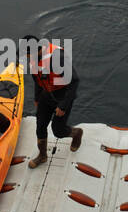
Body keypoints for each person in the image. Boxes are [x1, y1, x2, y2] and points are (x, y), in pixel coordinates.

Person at [23, 36, 83, 168]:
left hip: (63, 95)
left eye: (26, 54)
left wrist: (63, 105)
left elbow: (74, 81)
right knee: (40, 126)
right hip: (46, 95)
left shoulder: (57, 58)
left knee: (58, 131)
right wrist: (37, 98)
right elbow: (37, 80)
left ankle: (76, 133)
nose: (26, 57)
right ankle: (42, 156)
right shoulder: (34, 60)